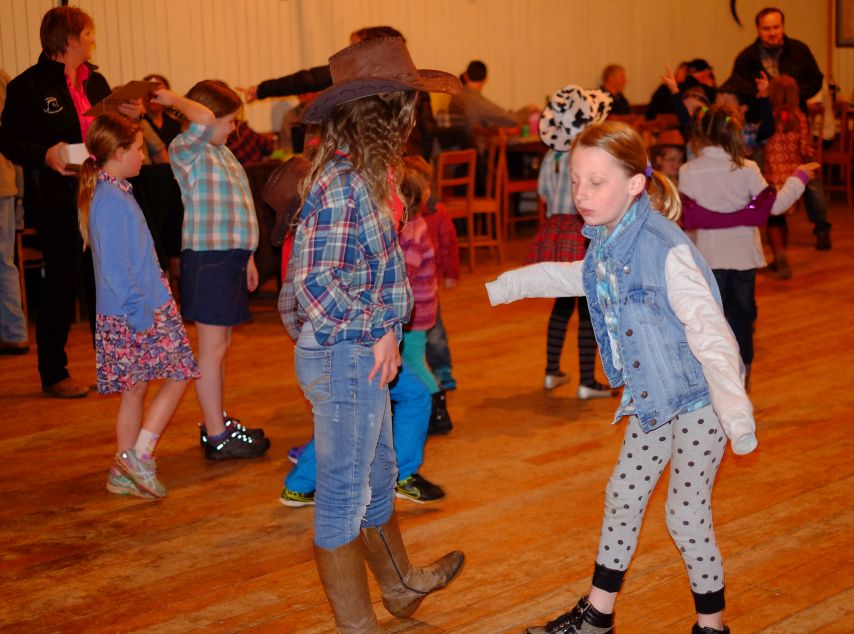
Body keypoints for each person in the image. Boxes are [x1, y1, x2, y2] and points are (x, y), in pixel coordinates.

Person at [486, 120, 759, 634]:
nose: (581, 195)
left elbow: (711, 333)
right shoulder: (609, 237)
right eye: (575, 182)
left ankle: (712, 626)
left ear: (635, 184)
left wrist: (736, 414)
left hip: (701, 402)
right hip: (653, 398)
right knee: (623, 495)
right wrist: (510, 284)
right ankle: (597, 615)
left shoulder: (666, 249)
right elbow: (579, 277)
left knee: (685, 516)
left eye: (596, 182)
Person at [277, 36, 464, 631]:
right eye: (408, 101)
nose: (415, 112)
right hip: (345, 354)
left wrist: (382, 328)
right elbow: (315, 285)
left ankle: (401, 587)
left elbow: (337, 282)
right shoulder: (341, 183)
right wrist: (377, 331)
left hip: (358, 350)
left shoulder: (365, 172)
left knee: (378, 474)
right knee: (342, 494)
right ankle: (356, 624)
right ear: (387, 110)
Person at [0, 6, 143, 397]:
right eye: (88, 35)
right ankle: (54, 372)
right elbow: (8, 141)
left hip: (103, 193)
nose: (93, 40)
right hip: (56, 198)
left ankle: (113, 363)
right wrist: (46, 153)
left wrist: (132, 116)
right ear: (68, 41)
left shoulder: (96, 83)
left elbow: (114, 136)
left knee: (108, 279)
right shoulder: (26, 87)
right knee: (62, 282)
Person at [78, 113, 198, 498]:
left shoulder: (113, 190)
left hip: (136, 307)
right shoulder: (109, 198)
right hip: (139, 310)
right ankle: (139, 457)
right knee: (180, 372)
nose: (144, 155)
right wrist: (142, 313)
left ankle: (121, 470)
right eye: (138, 148)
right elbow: (115, 267)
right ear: (117, 152)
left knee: (135, 388)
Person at [158, 81, 270, 460]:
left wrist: (249, 257)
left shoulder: (223, 154)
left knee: (220, 348)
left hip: (229, 257)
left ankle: (216, 422)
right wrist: (173, 100)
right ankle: (217, 436)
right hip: (209, 258)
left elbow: (239, 208)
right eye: (229, 121)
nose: (232, 128)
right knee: (211, 349)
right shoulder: (187, 149)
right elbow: (203, 119)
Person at [678, 104, 818, 385]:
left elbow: (684, 215)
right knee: (742, 318)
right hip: (743, 258)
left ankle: (715, 378)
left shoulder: (689, 170)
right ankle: (743, 378)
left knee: (710, 320)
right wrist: (799, 177)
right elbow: (774, 206)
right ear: (736, 132)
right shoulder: (748, 168)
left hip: (708, 258)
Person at [529, 85, 615, 398]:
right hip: (581, 233)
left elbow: (541, 194)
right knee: (589, 308)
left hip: (554, 233)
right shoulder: (586, 158)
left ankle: (552, 371)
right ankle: (587, 381)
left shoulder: (550, 156)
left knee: (562, 305)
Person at [242, 26, 438, 160]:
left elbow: (310, 79)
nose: (349, 53)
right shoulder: (414, 80)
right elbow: (309, 79)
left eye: (355, 47)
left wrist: (262, 90)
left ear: (373, 50)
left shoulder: (366, 79)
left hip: (390, 162)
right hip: (399, 162)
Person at [731, 6, 831, 250]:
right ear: (758, 30)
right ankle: (760, 227)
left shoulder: (800, 50)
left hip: (795, 124)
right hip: (763, 129)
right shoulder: (746, 58)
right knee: (757, 175)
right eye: (767, 28)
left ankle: (822, 228)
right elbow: (739, 88)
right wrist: (762, 99)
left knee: (810, 176)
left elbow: (815, 79)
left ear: (783, 26)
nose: (772, 32)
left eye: (776, 27)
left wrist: (792, 97)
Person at [403, 155, 458, 432]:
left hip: (415, 312)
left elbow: (407, 274)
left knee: (414, 360)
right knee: (413, 359)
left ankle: (438, 412)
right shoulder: (414, 225)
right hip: (421, 308)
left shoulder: (411, 231)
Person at [763, 75, 813, 279]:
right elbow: (804, 147)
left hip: (772, 172)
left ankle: (779, 254)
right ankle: (781, 255)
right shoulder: (799, 117)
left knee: (773, 216)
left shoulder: (768, 117)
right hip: (793, 174)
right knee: (783, 216)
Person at [0, 69, 28, 355]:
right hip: (5, 182)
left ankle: (13, 332)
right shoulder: (4, 80)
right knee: (4, 262)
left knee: (3, 262)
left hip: (4, 182)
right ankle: (14, 332)